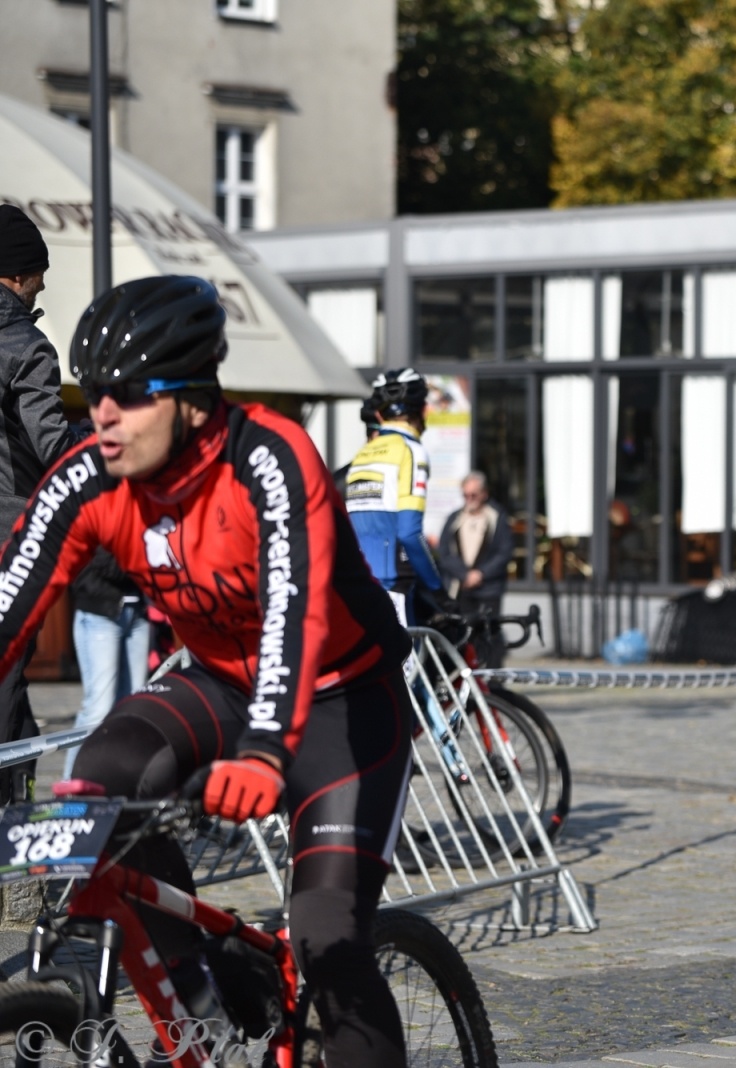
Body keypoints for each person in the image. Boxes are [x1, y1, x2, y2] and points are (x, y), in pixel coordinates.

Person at [0, 276, 414, 1068]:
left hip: (341, 698)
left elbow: (297, 614)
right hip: (223, 679)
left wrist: (263, 751)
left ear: (191, 400)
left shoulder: (270, 458)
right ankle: (206, 1015)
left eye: (126, 395)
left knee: (328, 935)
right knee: (103, 774)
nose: (101, 414)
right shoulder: (95, 475)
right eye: (92, 392)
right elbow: (10, 604)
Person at [0, 203, 74, 801]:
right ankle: (11, 825)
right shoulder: (24, 343)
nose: (42, 285)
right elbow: (52, 441)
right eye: (38, 273)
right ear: (17, 274)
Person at [344, 369, 448, 623]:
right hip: (394, 588)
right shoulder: (411, 451)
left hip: (359, 587)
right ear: (423, 411)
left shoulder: (362, 456)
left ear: (379, 414)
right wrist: (438, 590)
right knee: (405, 662)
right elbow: (409, 533)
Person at [62, 549, 149, 780]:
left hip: (138, 612)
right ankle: (70, 790)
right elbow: (100, 559)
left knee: (132, 707)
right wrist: (143, 559)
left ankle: (118, 784)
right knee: (98, 708)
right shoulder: (103, 516)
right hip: (99, 612)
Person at [436, 471, 514, 666]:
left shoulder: (497, 517)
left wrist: (481, 574)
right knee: (463, 636)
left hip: (488, 589)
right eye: (466, 495)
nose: (469, 499)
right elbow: (444, 552)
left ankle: (493, 682)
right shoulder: (454, 519)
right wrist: (464, 575)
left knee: (490, 635)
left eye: (474, 494)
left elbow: (504, 552)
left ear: (484, 493)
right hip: (461, 589)